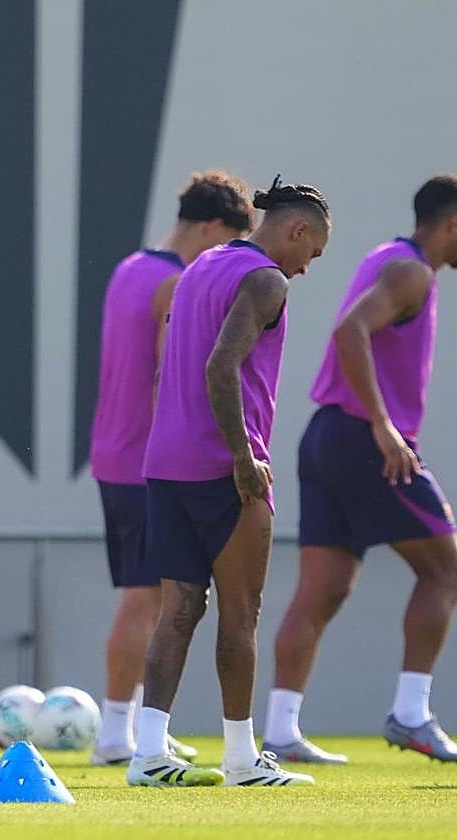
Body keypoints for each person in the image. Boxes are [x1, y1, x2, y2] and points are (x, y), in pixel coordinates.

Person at [126, 177, 330, 788]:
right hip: (225, 468)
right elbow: (222, 365)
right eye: (312, 253)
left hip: (167, 464)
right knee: (241, 614)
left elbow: (175, 365)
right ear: (296, 231)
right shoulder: (265, 279)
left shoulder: (203, 264)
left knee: (178, 611)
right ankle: (242, 760)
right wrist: (243, 456)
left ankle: (147, 755)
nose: (306, 268)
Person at [263, 175, 457, 764]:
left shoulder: (387, 256)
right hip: (362, 438)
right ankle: (411, 714)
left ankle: (280, 730)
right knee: (446, 570)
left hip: (326, 436)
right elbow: (350, 331)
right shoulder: (412, 272)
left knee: (323, 589)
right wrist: (382, 424)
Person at [89, 171, 254, 766]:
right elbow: (169, 377)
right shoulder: (176, 283)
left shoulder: (131, 268)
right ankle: (115, 735)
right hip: (145, 459)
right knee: (148, 600)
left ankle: (125, 727)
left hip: (113, 452)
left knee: (147, 597)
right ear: (212, 228)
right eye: (229, 240)